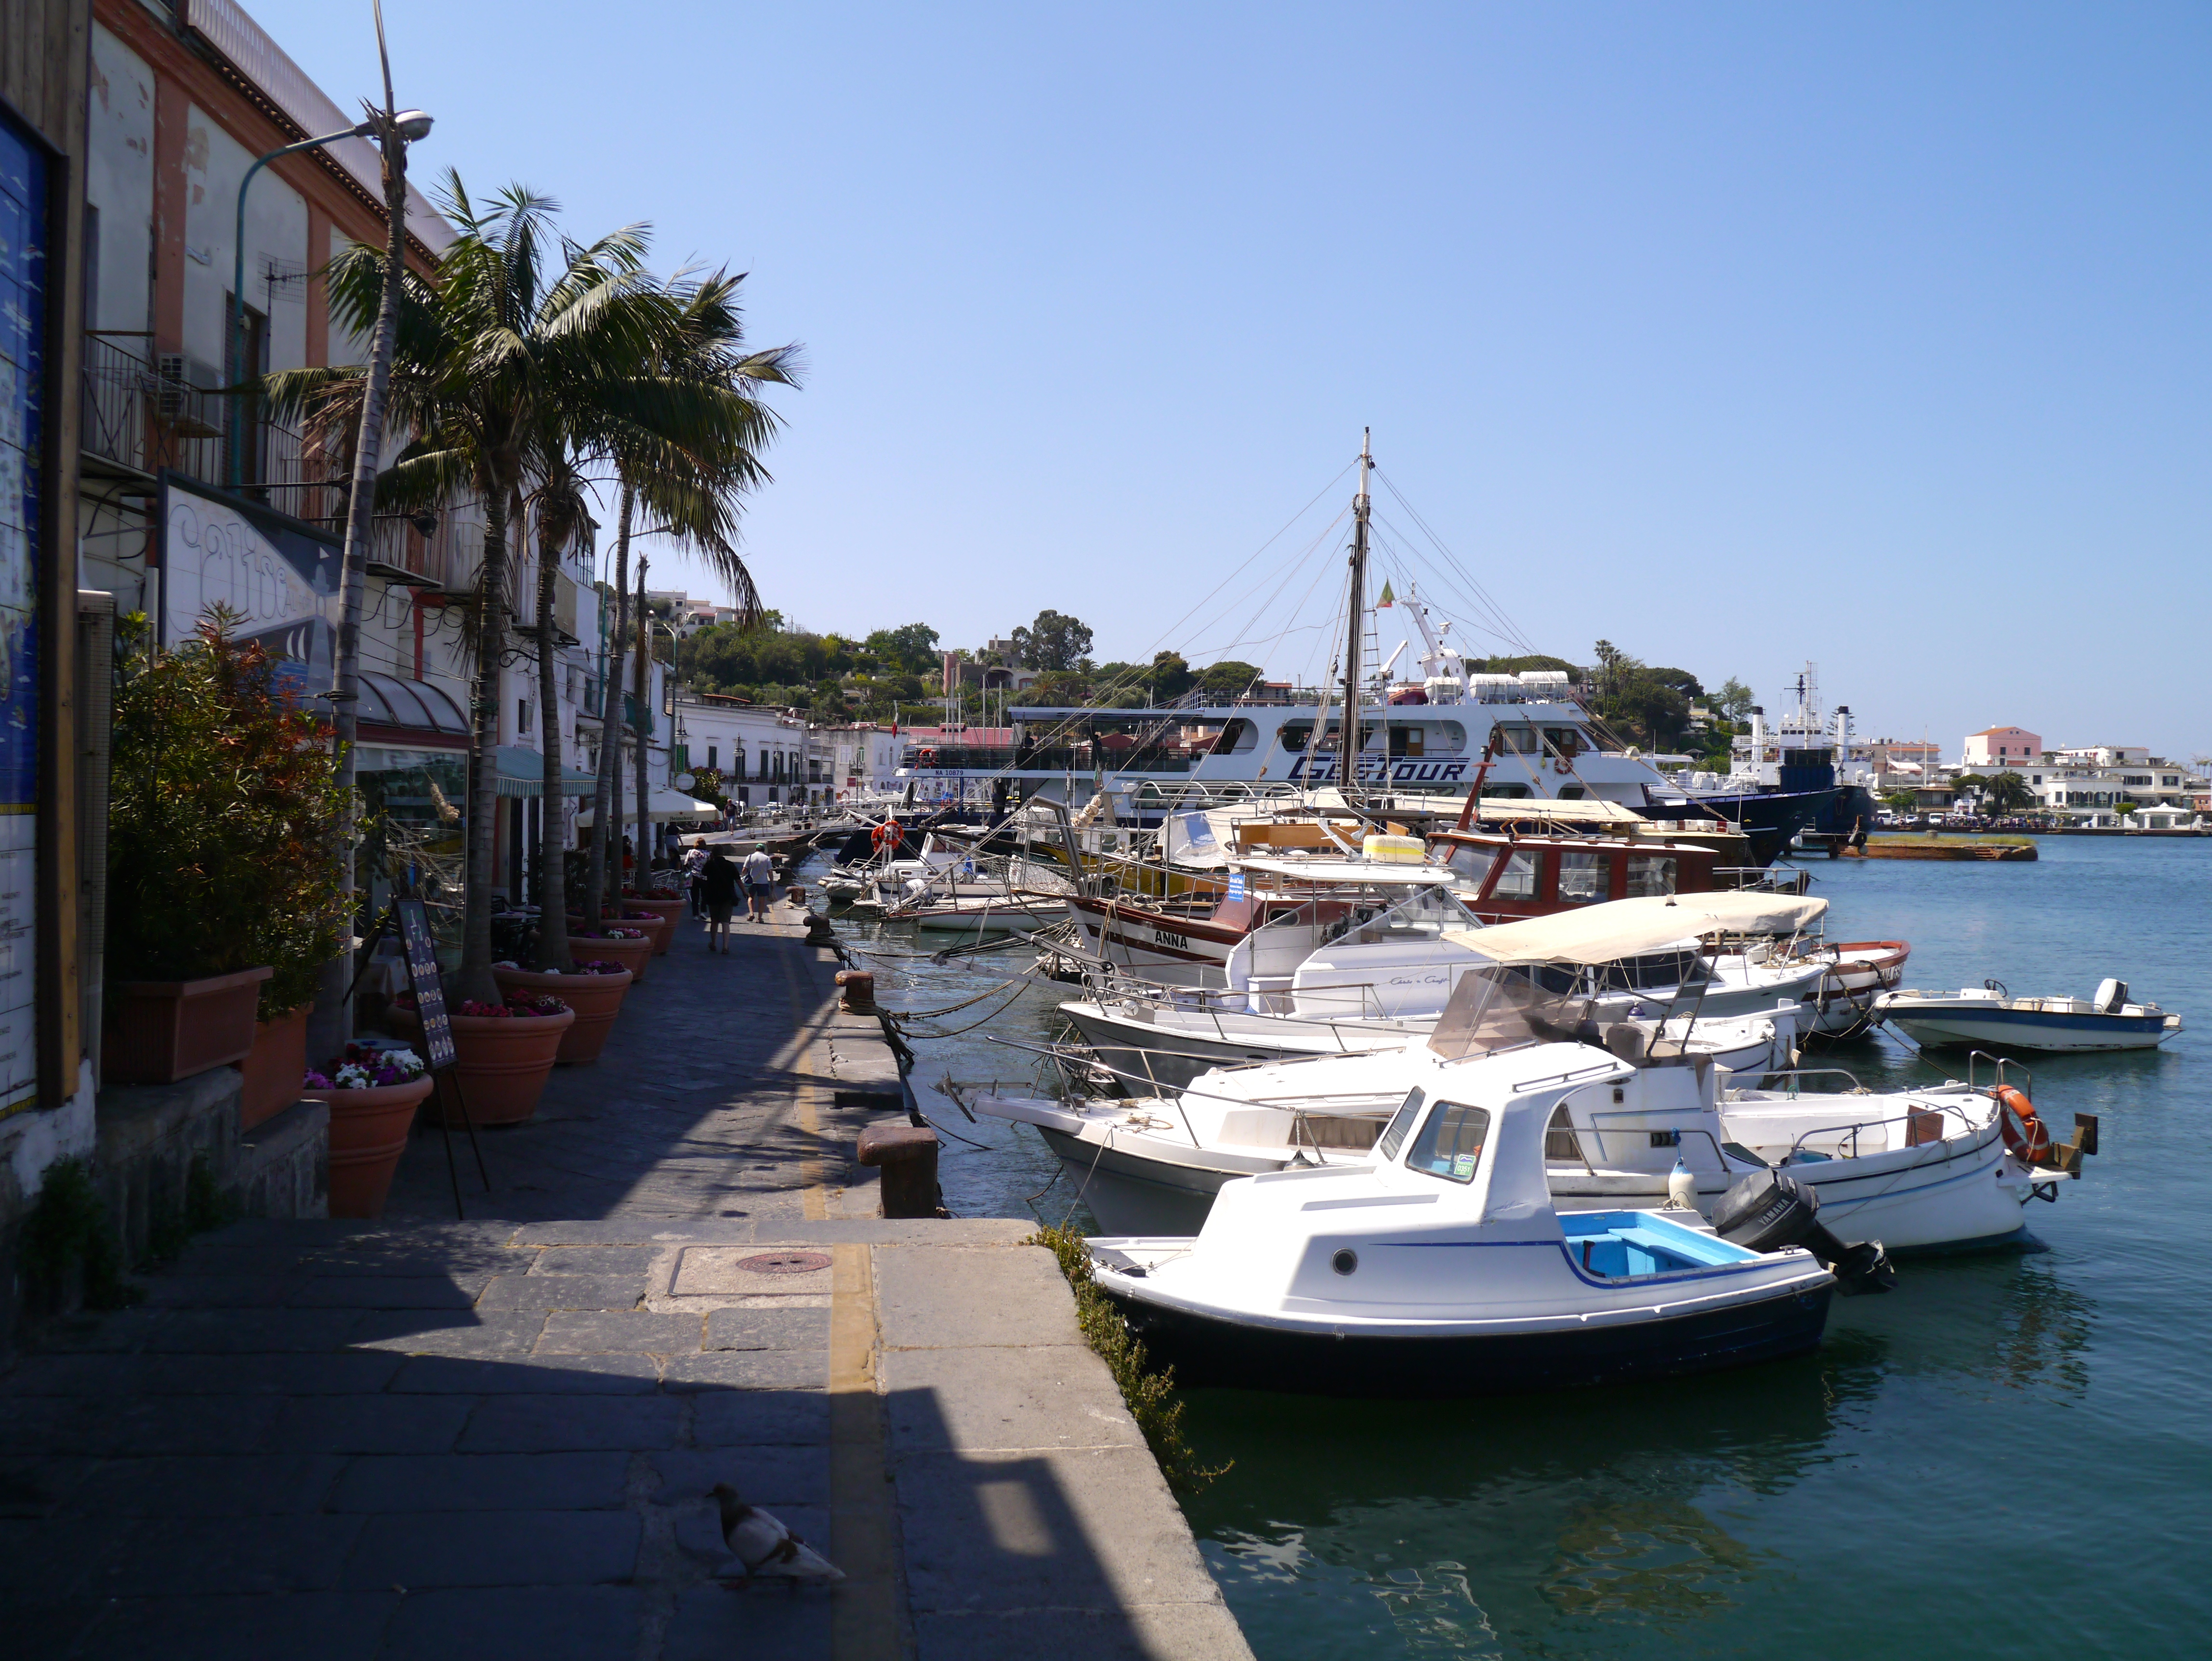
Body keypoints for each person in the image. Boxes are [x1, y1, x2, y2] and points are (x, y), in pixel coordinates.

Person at [700, 849, 741, 953]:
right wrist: (745, 892)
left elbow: (703, 873)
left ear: (713, 854)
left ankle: (713, 943)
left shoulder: (710, 865)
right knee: (726, 922)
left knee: (714, 921)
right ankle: (725, 947)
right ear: (723, 853)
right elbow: (738, 880)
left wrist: (710, 860)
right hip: (727, 897)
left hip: (713, 896)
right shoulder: (730, 865)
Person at [742, 845, 777, 922]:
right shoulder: (767, 858)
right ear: (764, 850)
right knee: (762, 900)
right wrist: (772, 882)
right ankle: (760, 918)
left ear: (756, 849)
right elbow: (770, 871)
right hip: (763, 882)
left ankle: (751, 913)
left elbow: (745, 869)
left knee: (751, 897)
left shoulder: (750, 857)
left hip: (752, 882)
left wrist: (742, 877)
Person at [683, 839, 710, 918]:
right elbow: (710, 865)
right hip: (705, 877)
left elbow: (686, 863)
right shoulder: (708, 854)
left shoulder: (691, 852)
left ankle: (695, 915)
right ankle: (703, 912)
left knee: (695, 896)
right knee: (705, 895)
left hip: (694, 876)